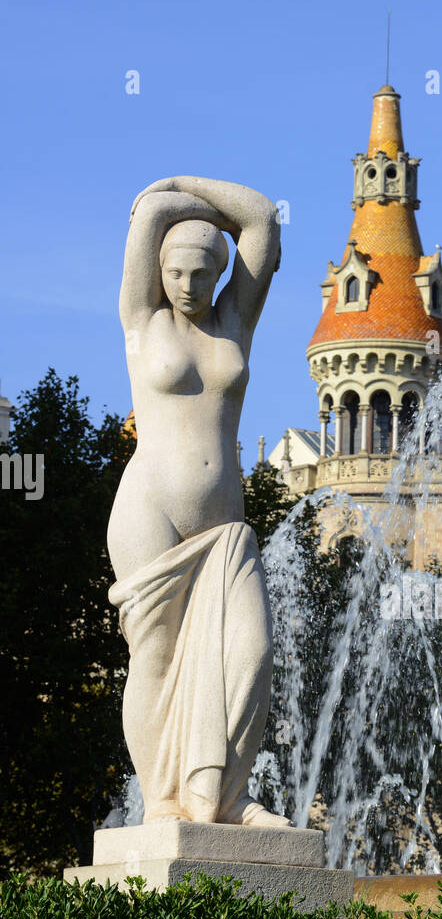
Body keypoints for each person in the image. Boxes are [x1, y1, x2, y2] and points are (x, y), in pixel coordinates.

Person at [108, 176, 289, 828]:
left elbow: (263, 220)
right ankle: (162, 802)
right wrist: (168, 196)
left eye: (200, 273)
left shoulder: (235, 318)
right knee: (152, 655)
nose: (186, 286)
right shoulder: (141, 319)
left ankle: (225, 796)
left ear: (218, 273)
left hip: (224, 524)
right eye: (175, 273)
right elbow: (149, 212)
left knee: (252, 652)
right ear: (159, 271)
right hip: (148, 507)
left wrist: (185, 185)